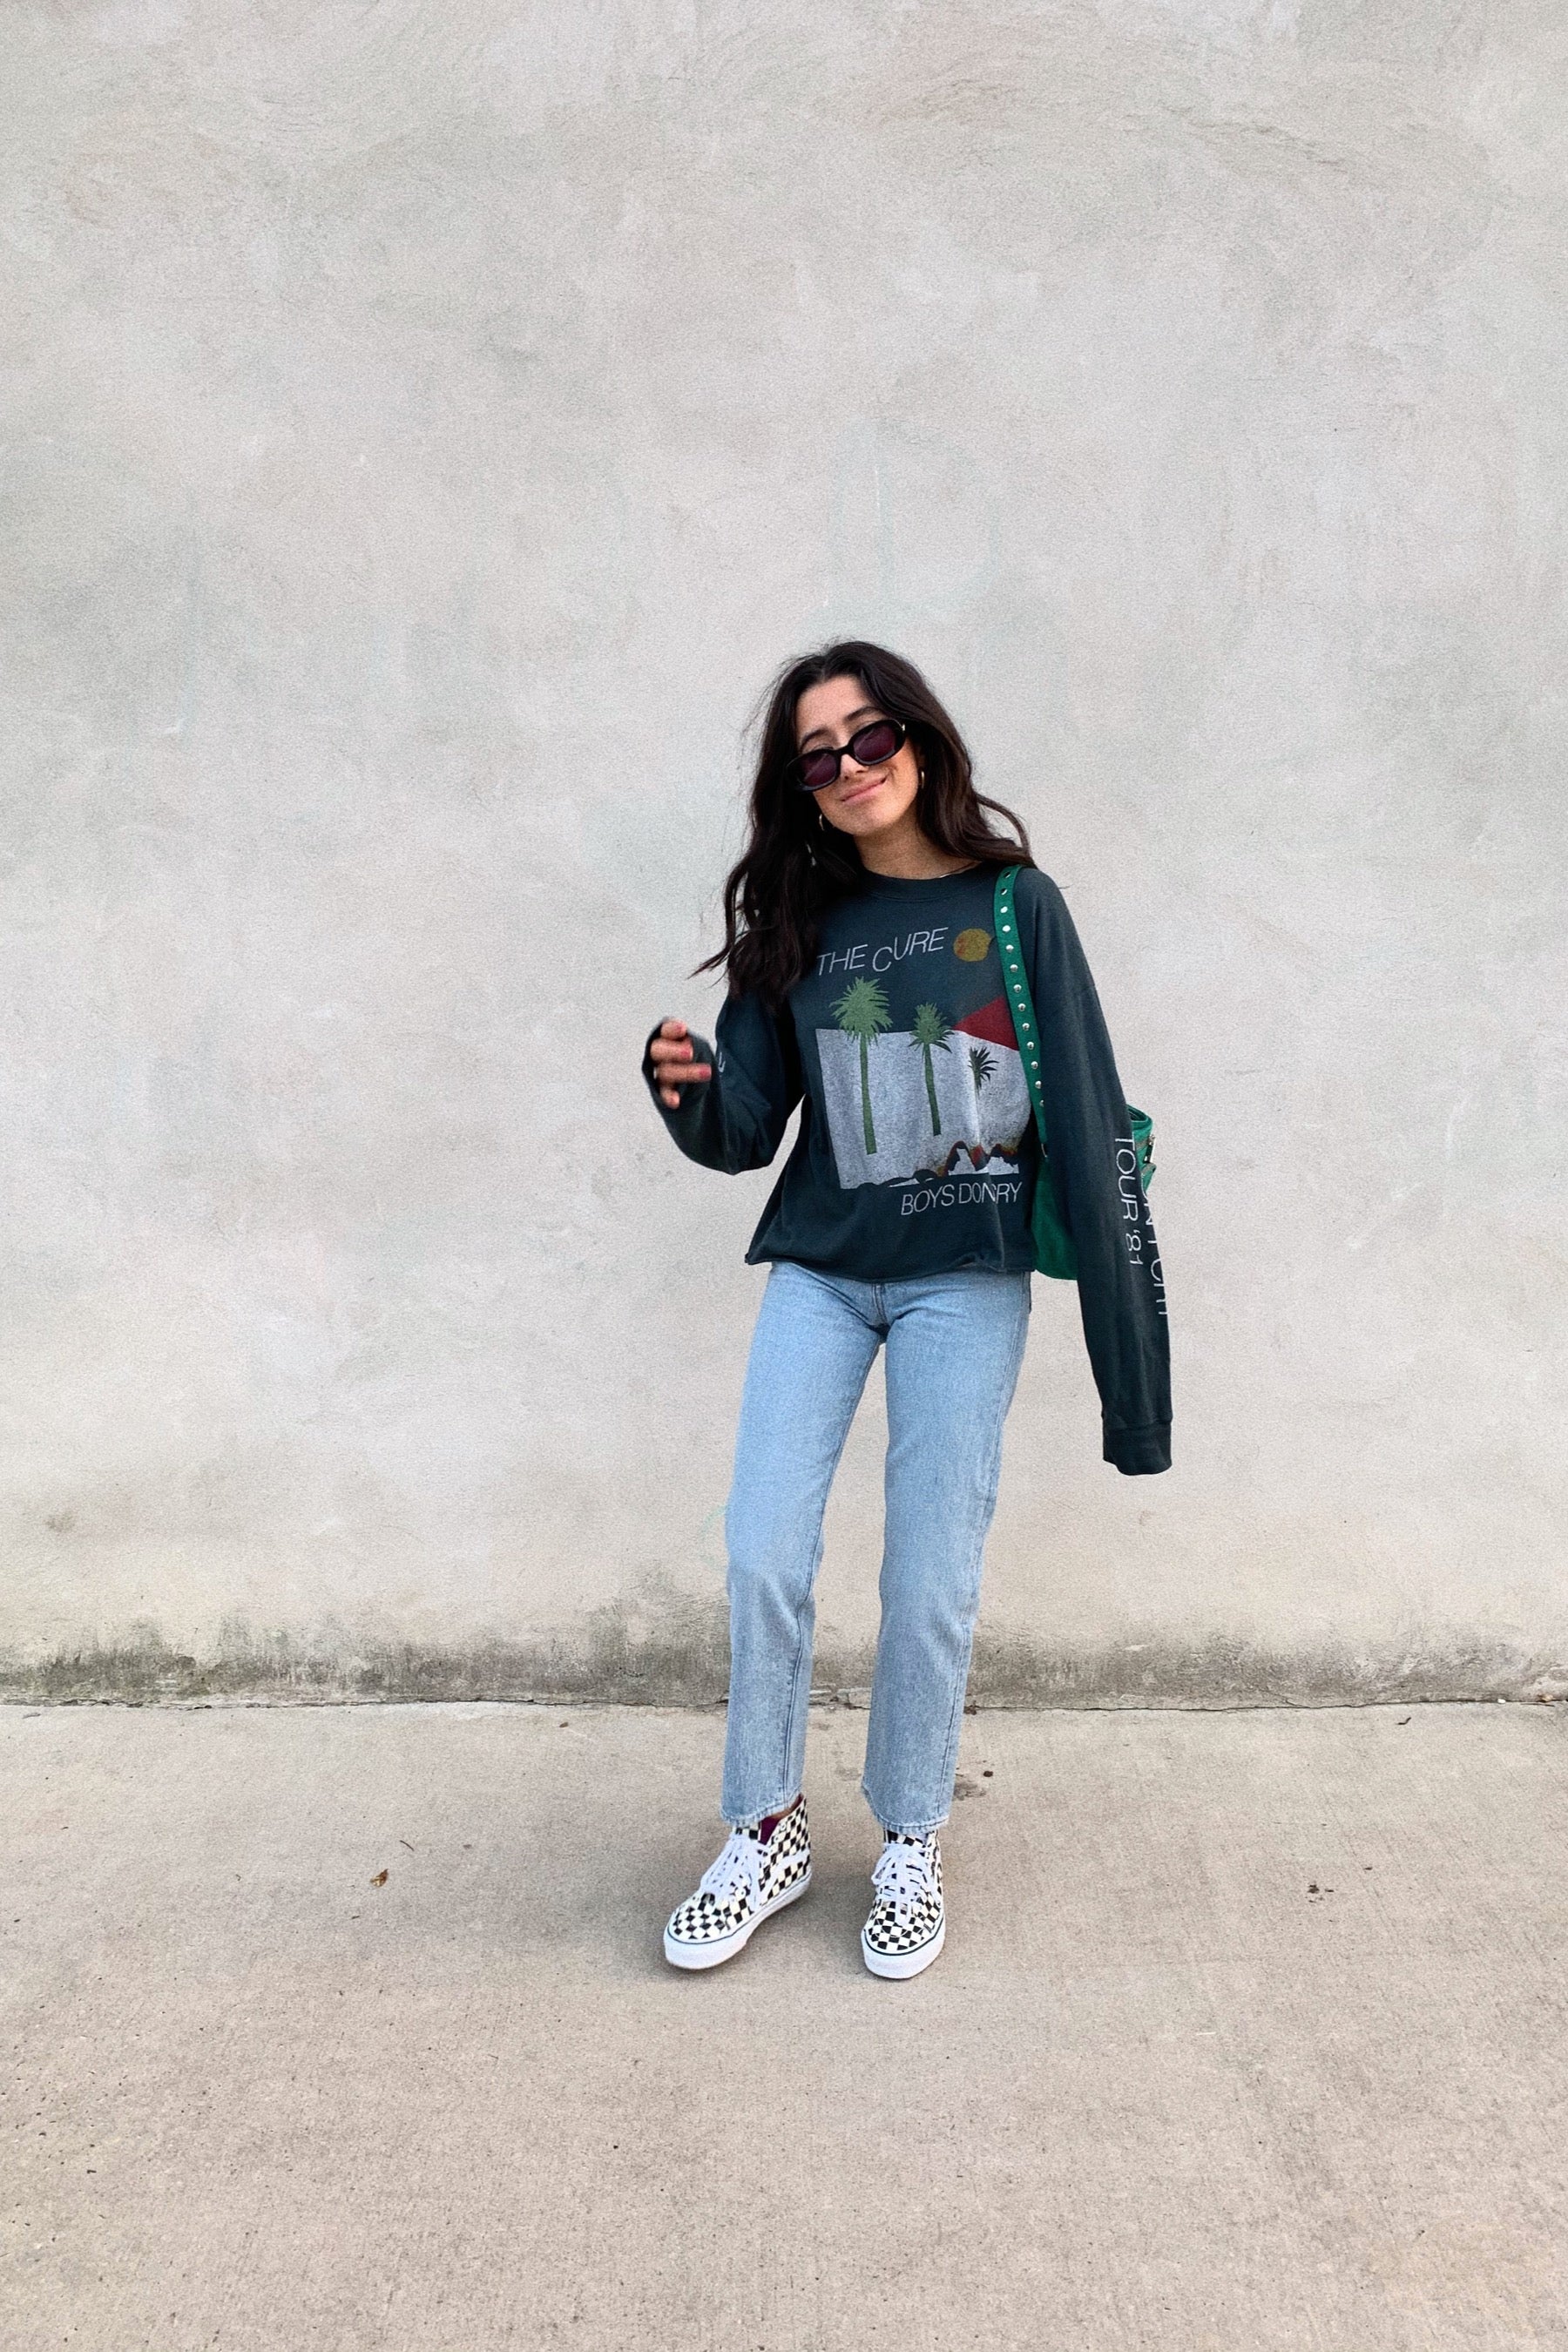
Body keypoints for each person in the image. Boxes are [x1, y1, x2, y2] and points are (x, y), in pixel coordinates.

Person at [644, 641, 1169, 1979]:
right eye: (818, 757)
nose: (850, 767)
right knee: (763, 1551)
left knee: (930, 1576)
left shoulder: (1017, 903)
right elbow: (746, 1130)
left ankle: (912, 1838)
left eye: (870, 736)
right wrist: (690, 1093)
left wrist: (1136, 1387)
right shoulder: (797, 925)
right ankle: (765, 1829)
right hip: (822, 1272)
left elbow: (1088, 1116)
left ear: (920, 740)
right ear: (802, 790)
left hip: (964, 1281)